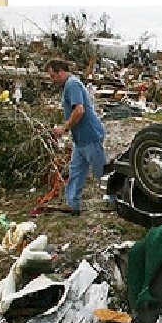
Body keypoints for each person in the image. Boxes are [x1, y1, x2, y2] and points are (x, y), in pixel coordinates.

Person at [46, 58, 111, 216]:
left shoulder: (72, 84)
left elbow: (79, 110)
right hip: (80, 138)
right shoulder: (68, 85)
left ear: (61, 72)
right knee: (75, 171)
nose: (52, 80)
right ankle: (72, 204)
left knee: (101, 171)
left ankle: (115, 200)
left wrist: (64, 128)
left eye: (53, 76)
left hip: (90, 135)